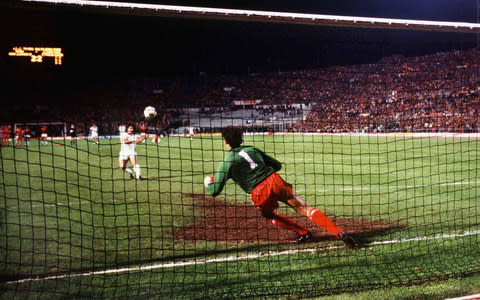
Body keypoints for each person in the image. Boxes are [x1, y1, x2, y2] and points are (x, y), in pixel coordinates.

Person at [204, 126, 359, 248]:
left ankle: (303, 232)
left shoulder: (226, 163)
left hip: (258, 192)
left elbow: (214, 191)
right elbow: (277, 165)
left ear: (225, 141)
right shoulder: (252, 149)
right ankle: (339, 233)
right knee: (305, 209)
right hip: (275, 180)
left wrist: (208, 182)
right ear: (240, 139)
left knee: (270, 215)